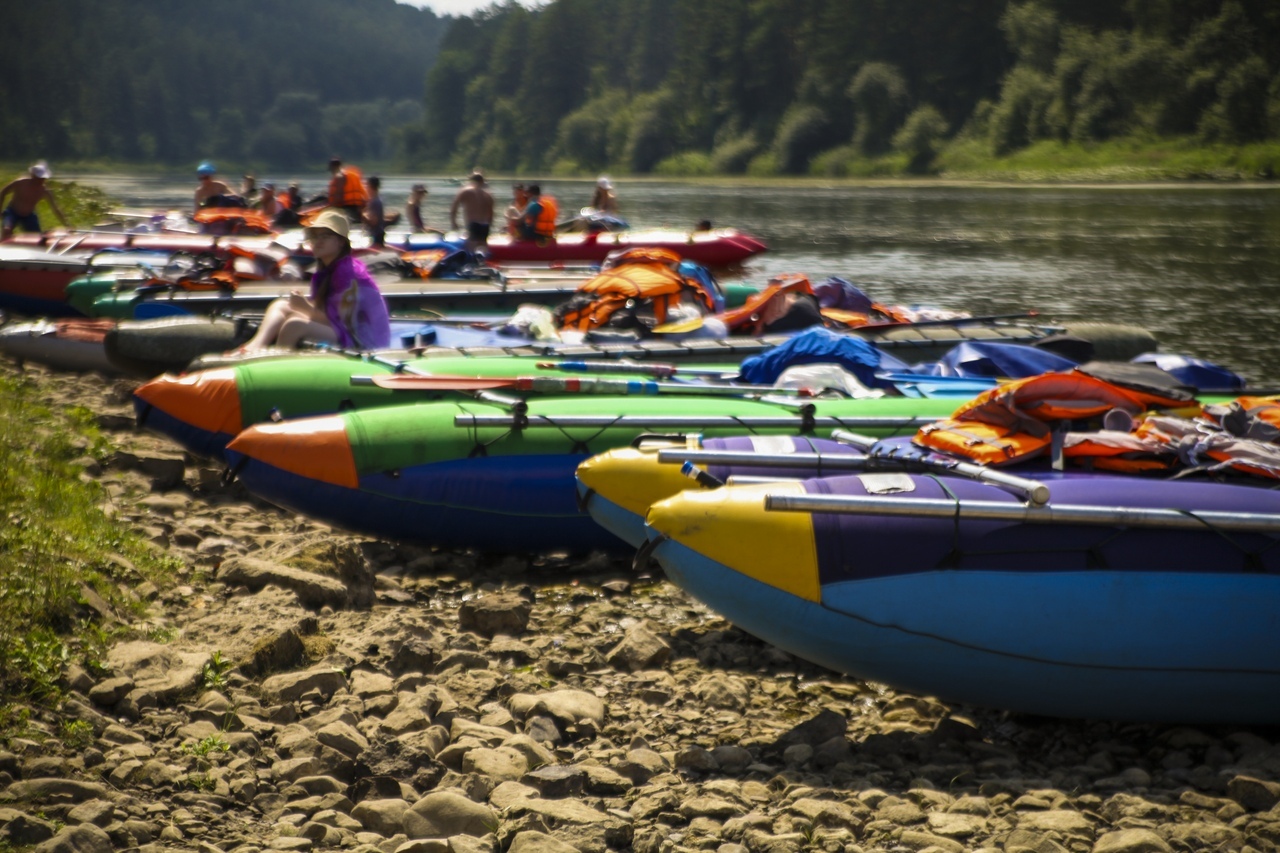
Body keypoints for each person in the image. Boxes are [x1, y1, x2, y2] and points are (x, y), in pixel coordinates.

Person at [236, 208, 390, 352]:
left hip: (364, 340)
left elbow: (342, 322)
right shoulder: (325, 272)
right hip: (344, 330)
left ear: (341, 242)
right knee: (281, 305)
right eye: (315, 236)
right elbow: (324, 314)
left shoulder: (348, 272)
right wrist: (302, 305)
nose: (318, 241)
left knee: (294, 325)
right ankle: (254, 347)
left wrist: (304, 307)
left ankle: (277, 369)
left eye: (325, 236)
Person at [0, 161, 69, 238]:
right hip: (12, 212)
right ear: (33, 176)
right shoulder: (20, 183)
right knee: (7, 230)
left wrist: (66, 224)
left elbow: (55, 208)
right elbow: (3, 192)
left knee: (37, 237)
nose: (41, 181)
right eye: (38, 178)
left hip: (29, 215)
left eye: (43, 178)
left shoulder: (44, 191)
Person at [449, 171, 494, 252]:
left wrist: (453, 222)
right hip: (485, 225)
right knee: (483, 246)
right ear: (482, 181)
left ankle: (472, 261)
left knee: (471, 248)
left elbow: (454, 207)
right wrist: (490, 225)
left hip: (473, 224)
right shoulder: (488, 194)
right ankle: (483, 262)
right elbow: (491, 213)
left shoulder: (465, 191)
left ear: (470, 180)